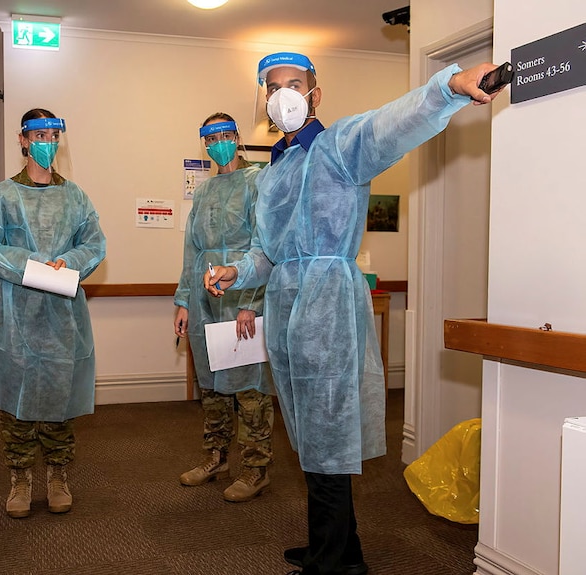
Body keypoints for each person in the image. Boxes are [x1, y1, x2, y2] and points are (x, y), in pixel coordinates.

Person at [205, 53, 504, 575]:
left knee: (326, 439)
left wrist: (449, 87)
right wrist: (237, 272)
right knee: (307, 435)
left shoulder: (337, 146)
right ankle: (342, 549)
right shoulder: (272, 173)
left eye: (294, 84)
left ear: (315, 94)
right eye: (273, 88)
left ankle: (332, 561)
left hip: (326, 307)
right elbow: (268, 253)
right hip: (286, 310)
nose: (284, 95)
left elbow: (390, 124)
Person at [0, 108, 106, 518]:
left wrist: (67, 262)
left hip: (64, 315)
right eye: (38, 135)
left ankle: (58, 476)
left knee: (60, 399)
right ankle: (20, 479)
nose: (47, 142)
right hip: (18, 316)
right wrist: (31, 265)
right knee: (17, 402)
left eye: (53, 135)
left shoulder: (75, 196)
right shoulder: (3, 195)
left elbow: (94, 243)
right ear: (23, 140)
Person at [174, 113, 275, 502]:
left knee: (249, 388)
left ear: (237, 137)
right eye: (211, 137)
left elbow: (263, 247)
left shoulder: (257, 182)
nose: (219, 141)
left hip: (243, 293)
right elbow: (192, 251)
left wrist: (251, 302)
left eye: (226, 134)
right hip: (205, 299)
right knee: (213, 384)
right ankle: (216, 458)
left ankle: (256, 468)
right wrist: (184, 301)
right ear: (205, 143)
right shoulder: (203, 192)